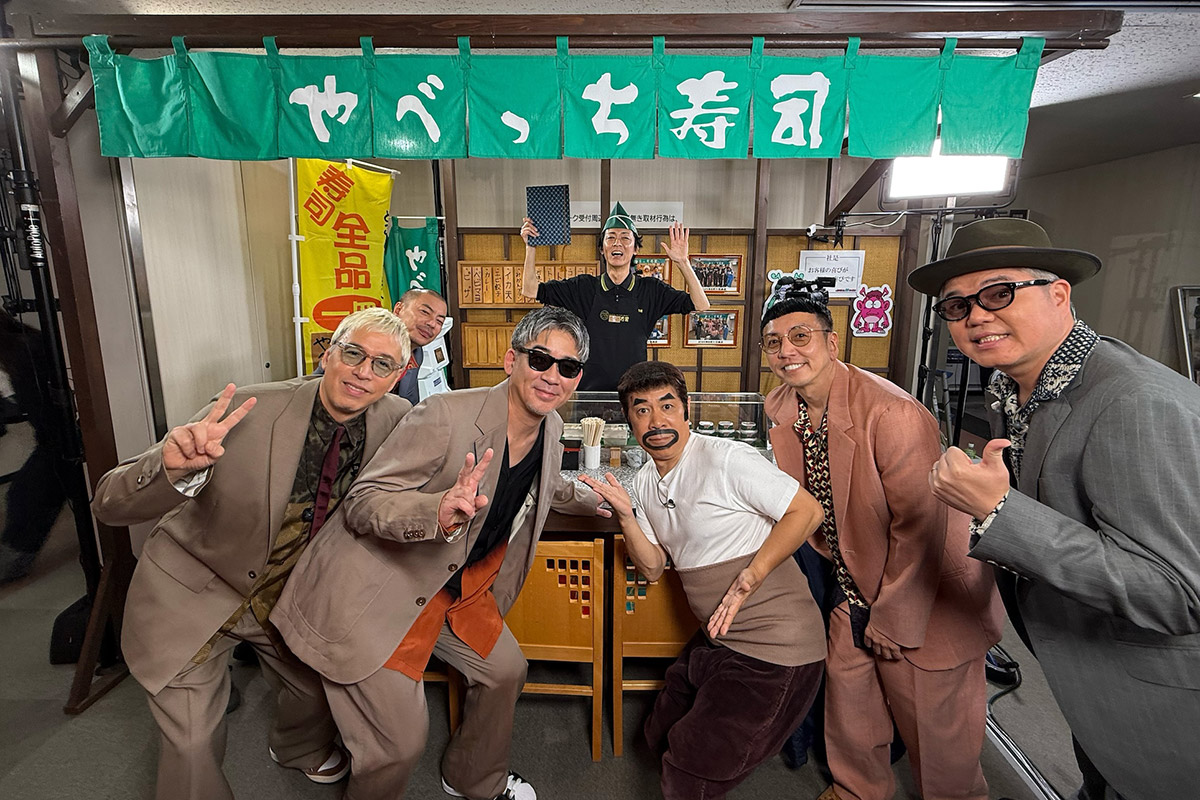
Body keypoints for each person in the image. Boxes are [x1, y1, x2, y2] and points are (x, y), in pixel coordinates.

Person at [272, 306, 608, 800]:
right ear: (511, 359)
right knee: (398, 744)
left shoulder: (553, 429)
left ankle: (472, 777)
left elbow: (545, 484)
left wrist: (596, 501)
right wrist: (436, 511)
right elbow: (363, 502)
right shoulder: (445, 415)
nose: (552, 376)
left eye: (568, 367)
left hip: (457, 590)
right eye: (540, 359)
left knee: (507, 671)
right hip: (387, 587)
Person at [916, 217, 1200, 799]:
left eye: (999, 293)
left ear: (1059, 293)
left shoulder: (1135, 402)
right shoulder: (1016, 387)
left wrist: (998, 511)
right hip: (1087, 678)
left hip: (1161, 706)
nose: (977, 317)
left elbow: (1176, 593)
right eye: (958, 306)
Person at [90, 307, 412, 800]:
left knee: (316, 692)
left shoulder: (398, 420)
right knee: (191, 743)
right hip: (195, 589)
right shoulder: (249, 408)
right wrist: (171, 470)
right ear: (328, 353)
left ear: (398, 375)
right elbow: (108, 504)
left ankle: (297, 748)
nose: (363, 372)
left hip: (284, 597)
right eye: (353, 353)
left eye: (382, 364)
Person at [760, 281, 1003, 800]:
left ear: (832, 342)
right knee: (851, 703)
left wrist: (894, 617)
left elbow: (923, 528)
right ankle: (858, 790)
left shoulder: (892, 412)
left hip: (923, 594)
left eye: (800, 336)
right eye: (774, 342)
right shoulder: (781, 403)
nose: (787, 351)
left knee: (937, 736)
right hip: (851, 583)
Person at [581, 361, 826, 800]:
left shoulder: (726, 458)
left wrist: (751, 576)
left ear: (686, 409)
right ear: (629, 420)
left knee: (690, 767)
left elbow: (807, 512)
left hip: (775, 648)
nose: (656, 421)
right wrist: (626, 518)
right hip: (717, 637)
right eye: (642, 410)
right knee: (658, 732)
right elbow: (652, 567)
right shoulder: (644, 481)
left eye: (667, 406)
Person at [520, 202, 710, 391]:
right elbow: (530, 290)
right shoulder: (583, 288)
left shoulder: (651, 290)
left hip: (634, 394)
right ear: (602, 249)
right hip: (588, 395)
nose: (617, 242)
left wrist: (683, 262)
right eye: (610, 237)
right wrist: (530, 247)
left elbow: (701, 304)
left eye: (625, 237)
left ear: (635, 249)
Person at [312, 288, 448, 407]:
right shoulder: (366, 335)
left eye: (439, 321)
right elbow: (318, 385)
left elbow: (409, 401)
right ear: (398, 309)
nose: (432, 324)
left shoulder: (417, 354)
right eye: (425, 312)